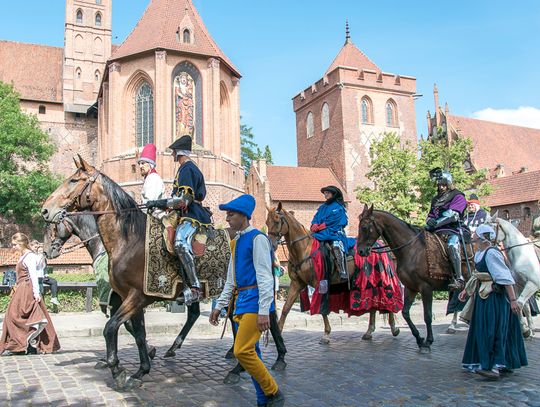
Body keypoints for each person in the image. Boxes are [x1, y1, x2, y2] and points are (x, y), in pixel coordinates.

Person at [209, 194, 284, 407]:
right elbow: (231, 279)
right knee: (254, 354)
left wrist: (264, 311)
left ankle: (274, 392)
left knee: (241, 351)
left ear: (243, 215)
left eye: (230, 214)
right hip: (241, 301)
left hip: (255, 301)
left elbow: (265, 277)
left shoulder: (258, 239)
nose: (227, 219)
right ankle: (263, 401)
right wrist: (220, 305)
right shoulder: (236, 242)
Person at [147, 135, 212, 305]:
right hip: (186, 212)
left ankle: (195, 288)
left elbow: (184, 200)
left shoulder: (187, 169)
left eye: (173, 151)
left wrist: (159, 202)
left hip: (193, 214)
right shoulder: (185, 168)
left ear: (178, 152)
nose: (172, 155)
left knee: (180, 243)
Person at [459, 224, 527, 379]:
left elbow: (505, 277)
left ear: (483, 237)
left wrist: (513, 300)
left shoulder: (491, 253)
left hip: (495, 298)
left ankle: (494, 367)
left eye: (476, 233)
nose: (473, 234)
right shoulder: (479, 253)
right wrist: (466, 290)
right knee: (482, 328)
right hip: (483, 296)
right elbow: (478, 275)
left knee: (493, 329)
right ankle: (492, 363)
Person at [0, 233, 60, 356]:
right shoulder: (24, 256)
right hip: (21, 288)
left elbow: (33, 275)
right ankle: (25, 345)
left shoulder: (29, 257)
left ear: (22, 243)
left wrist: (36, 293)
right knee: (15, 317)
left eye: (15, 244)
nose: (14, 247)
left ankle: (21, 346)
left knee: (15, 317)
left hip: (26, 288)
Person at [425, 168, 468, 290]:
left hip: (453, 229)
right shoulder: (435, 199)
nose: (441, 187)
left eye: (444, 184)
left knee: (452, 245)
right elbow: (430, 215)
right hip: (436, 231)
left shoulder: (458, 195)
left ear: (448, 184)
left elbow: (452, 215)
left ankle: (459, 278)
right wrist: (429, 221)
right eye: (439, 185)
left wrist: (435, 223)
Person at [310, 185, 349, 280]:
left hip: (335, 233)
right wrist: (314, 224)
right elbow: (316, 217)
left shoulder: (338, 207)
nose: (325, 195)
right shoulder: (322, 207)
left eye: (327, 193)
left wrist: (320, 226)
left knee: (336, 246)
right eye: (325, 193)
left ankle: (342, 270)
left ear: (333, 194)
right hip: (320, 233)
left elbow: (335, 221)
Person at [138, 143, 166, 218]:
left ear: (150, 165)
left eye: (143, 163)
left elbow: (148, 203)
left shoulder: (153, 178)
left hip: (156, 219)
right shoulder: (149, 178)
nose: (140, 166)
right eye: (139, 164)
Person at [30, 240, 60, 306]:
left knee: (54, 281)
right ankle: (39, 308)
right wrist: (41, 258)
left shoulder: (43, 258)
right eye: (39, 251)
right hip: (37, 277)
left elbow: (44, 267)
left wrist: (46, 273)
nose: (41, 252)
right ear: (37, 252)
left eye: (42, 251)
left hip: (42, 276)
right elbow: (36, 265)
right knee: (41, 291)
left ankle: (54, 298)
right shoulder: (35, 257)